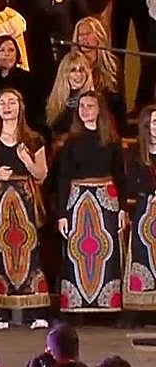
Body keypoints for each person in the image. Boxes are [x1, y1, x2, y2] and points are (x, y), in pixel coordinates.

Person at [0, 88, 50, 328]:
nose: (7, 107)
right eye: (3, 103)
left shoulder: (34, 139)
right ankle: (1, 313)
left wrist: (27, 160)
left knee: (31, 253)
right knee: (0, 255)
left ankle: (34, 311)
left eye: (12, 102)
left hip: (26, 201)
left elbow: (41, 174)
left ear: (21, 106)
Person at [55, 91, 126, 315]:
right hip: (77, 202)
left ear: (99, 110)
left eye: (90, 106)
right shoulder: (71, 142)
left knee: (107, 253)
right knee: (77, 254)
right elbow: (63, 178)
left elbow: (120, 176)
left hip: (106, 202)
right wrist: (62, 213)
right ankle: (76, 308)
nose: (85, 110)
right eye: (82, 106)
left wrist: (123, 208)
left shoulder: (112, 141)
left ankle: (108, 306)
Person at [15, 0, 88, 118]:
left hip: (63, 51)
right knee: (39, 93)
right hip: (37, 51)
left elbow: (82, 15)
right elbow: (19, 18)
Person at [126, 104, 156, 312]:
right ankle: (139, 307)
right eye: (155, 122)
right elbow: (132, 183)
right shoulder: (136, 153)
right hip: (144, 210)